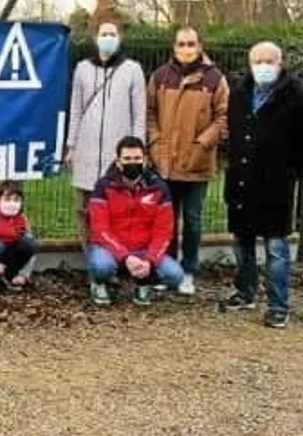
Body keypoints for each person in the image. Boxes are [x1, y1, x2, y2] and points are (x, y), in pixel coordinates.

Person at [219, 41, 303, 328]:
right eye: (258, 61)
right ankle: (245, 292)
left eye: (269, 61)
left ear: (280, 64)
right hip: (242, 179)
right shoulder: (240, 93)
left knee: (276, 249)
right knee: (242, 243)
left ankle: (278, 306)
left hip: (277, 183)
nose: (263, 67)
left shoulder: (295, 95)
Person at [146, 27, 229, 296]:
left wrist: (202, 144)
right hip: (165, 163)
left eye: (191, 43)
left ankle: (189, 271)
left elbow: (223, 118)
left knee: (192, 221)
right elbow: (149, 113)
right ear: (174, 47)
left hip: (197, 164)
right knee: (166, 221)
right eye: (181, 43)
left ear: (200, 45)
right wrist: (156, 143)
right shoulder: (160, 76)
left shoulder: (215, 79)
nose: (186, 48)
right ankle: (167, 269)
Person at [65, 20, 147, 244]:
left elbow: (139, 113)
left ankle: (113, 258)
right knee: (85, 209)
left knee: (115, 210)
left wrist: (138, 150)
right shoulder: (82, 68)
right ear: (95, 38)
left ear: (119, 38)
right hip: (87, 149)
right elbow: (76, 109)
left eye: (112, 34)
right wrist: (71, 145)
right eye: (104, 33)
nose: (108, 38)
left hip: (118, 152)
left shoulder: (133, 70)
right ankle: (91, 259)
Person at [86, 136, 183, 306]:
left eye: (137, 158)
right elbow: (100, 229)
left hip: (144, 249)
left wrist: (149, 261)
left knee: (175, 276)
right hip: (109, 247)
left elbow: (164, 231)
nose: (133, 163)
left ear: (145, 160)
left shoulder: (159, 188)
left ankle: (142, 284)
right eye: (127, 159)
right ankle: (99, 283)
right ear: (118, 161)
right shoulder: (103, 186)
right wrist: (125, 257)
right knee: (102, 267)